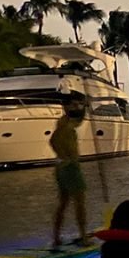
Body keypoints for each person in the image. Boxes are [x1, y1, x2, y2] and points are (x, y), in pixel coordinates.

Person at [50, 96, 88, 247]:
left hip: (61, 166)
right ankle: (84, 237)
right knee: (79, 202)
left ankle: (56, 237)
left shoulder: (63, 122)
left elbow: (79, 119)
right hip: (70, 167)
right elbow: (53, 140)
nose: (76, 106)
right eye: (73, 104)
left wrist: (84, 107)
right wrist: (67, 157)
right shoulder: (65, 125)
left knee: (63, 203)